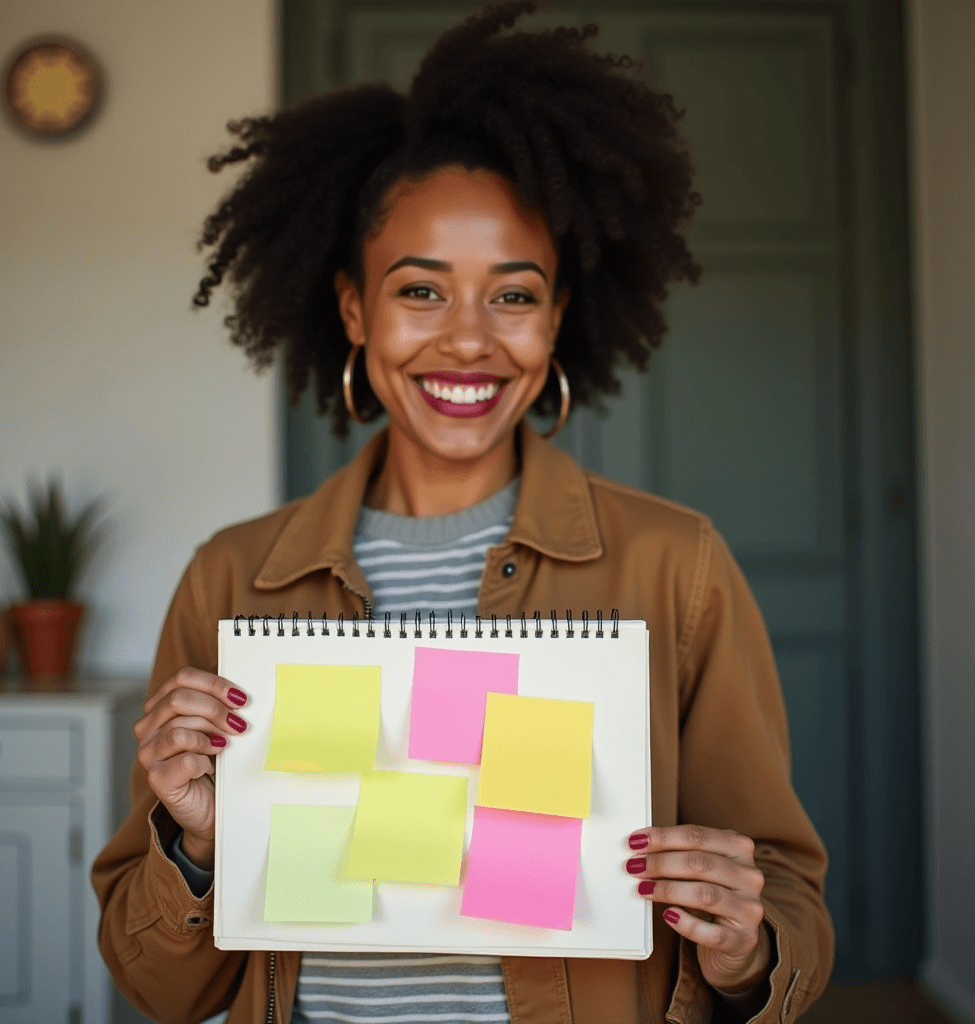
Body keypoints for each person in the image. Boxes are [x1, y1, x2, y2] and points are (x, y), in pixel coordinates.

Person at [91, 4, 834, 1022]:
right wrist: (197, 843)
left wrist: (748, 943)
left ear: (559, 316)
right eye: (421, 292)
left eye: (514, 296)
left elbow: (787, 904)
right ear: (354, 308)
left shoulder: (678, 567)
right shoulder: (230, 578)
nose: (469, 340)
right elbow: (159, 987)